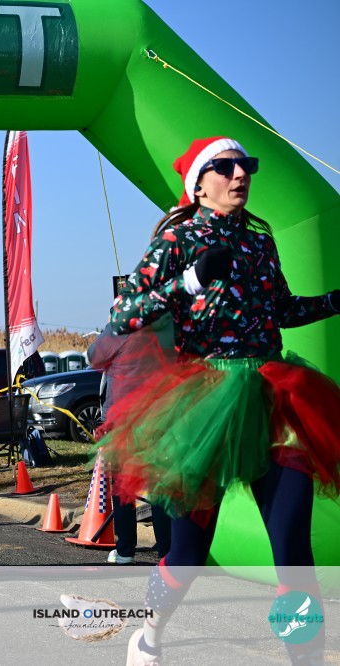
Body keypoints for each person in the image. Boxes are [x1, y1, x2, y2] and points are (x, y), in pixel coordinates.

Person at [94, 137, 340, 665]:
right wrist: (189, 279)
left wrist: (334, 301)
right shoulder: (177, 240)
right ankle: (150, 635)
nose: (239, 174)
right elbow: (122, 316)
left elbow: (281, 310)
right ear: (199, 186)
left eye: (245, 165)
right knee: (188, 552)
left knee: (294, 552)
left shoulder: (260, 242)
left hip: (272, 395)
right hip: (203, 401)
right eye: (225, 167)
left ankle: (306, 657)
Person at [87, 317, 173, 565]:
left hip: (123, 417)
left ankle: (125, 550)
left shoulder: (121, 325)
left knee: (124, 486)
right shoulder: (167, 325)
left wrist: (111, 324)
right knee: (159, 486)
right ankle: (167, 552)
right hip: (158, 416)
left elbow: (94, 355)